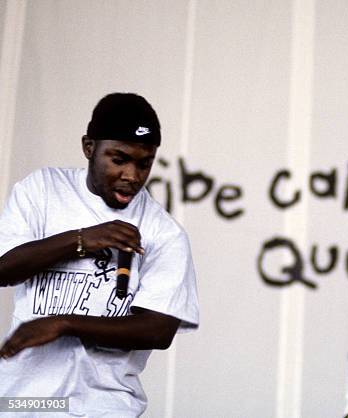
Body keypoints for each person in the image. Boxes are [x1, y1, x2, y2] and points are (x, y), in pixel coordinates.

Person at [0, 93, 199, 417]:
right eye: (119, 159)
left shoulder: (164, 233)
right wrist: (80, 240)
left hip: (103, 407)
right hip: (22, 400)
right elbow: (4, 269)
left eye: (144, 162)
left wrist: (64, 323)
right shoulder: (43, 189)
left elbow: (158, 329)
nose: (132, 175)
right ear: (89, 147)